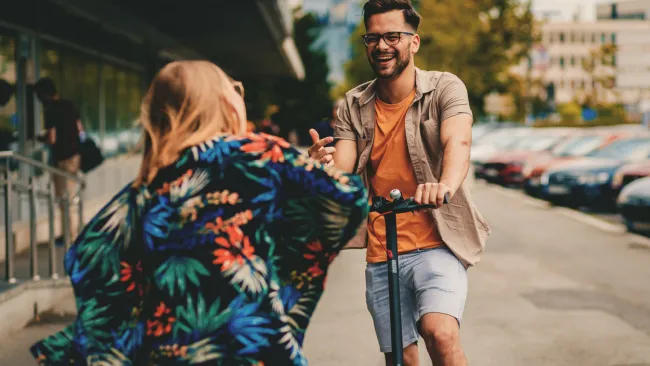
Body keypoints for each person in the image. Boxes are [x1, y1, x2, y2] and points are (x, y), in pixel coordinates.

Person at [30, 60, 368, 365]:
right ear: (220, 103)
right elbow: (345, 200)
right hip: (248, 347)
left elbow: (87, 253)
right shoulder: (254, 153)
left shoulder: (146, 187)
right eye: (234, 90)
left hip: (165, 352)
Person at [308, 1, 490, 365]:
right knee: (401, 359)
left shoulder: (444, 89)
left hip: (437, 242)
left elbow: (459, 142)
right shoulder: (354, 103)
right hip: (382, 247)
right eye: (372, 38)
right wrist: (318, 170)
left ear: (415, 42)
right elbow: (342, 170)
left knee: (440, 332)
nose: (381, 46)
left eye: (393, 36)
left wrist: (444, 185)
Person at [32, 77, 83, 245]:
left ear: (44, 95)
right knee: (71, 197)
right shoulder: (70, 105)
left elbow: (52, 138)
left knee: (64, 199)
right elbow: (80, 129)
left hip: (62, 159)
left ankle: (71, 236)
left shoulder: (51, 110)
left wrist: (41, 138)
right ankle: (71, 234)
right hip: (75, 157)